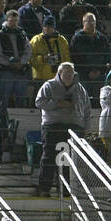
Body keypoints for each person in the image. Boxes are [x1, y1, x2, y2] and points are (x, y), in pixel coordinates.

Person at [34, 62, 90, 196]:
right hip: (53, 126)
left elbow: (87, 109)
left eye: (71, 73)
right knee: (49, 158)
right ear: (59, 73)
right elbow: (39, 102)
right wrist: (56, 103)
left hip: (75, 128)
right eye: (66, 73)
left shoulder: (80, 89)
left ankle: (67, 190)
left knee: (70, 161)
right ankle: (44, 189)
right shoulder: (49, 86)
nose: (69, 76)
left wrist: (86, 128)